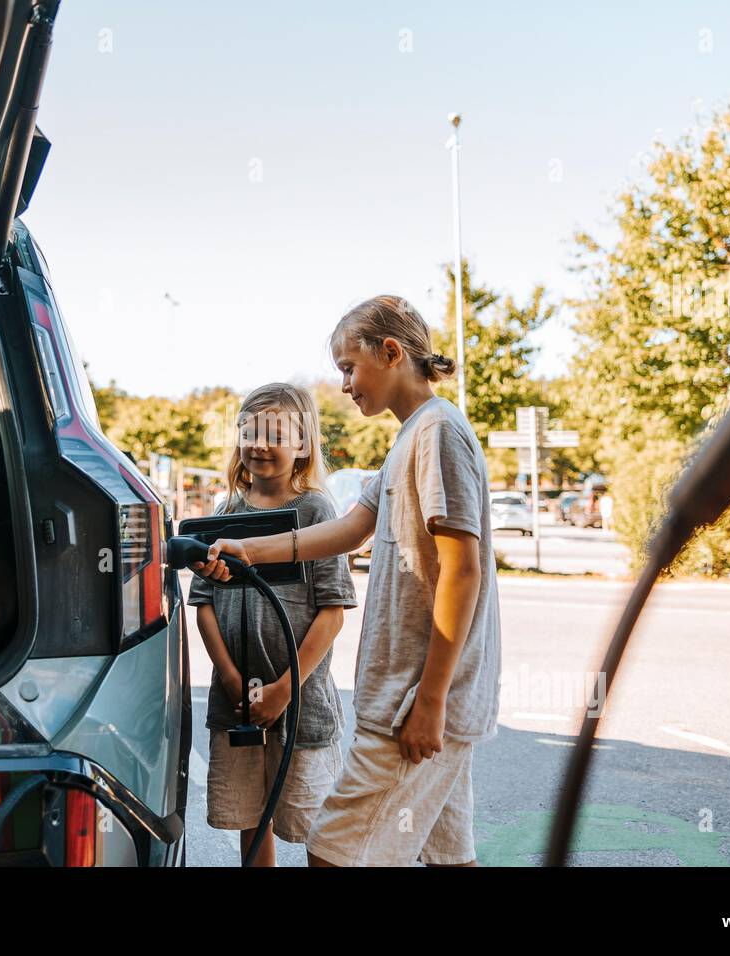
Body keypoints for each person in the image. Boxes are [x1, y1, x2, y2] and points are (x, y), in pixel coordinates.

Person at [194, 295, 500, 867]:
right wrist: (247, 550)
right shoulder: (409, 438)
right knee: (447, 854)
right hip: (415, 696)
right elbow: (349, 529)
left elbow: (464, 568)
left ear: (391, 352)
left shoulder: (437, 434)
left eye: (348, 367)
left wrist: (430, 699)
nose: (344, 384)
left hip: (415, 698)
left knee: (334, 851)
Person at [189, 382, 357, 866]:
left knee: (315, 827)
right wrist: (230, 677)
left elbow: (332, 609)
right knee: (251, 818)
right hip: (236, 704)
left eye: (274, 433)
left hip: (301, 708)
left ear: (302, 443)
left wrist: (286, 689)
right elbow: (203, 604)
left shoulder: (315, 511)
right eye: (249, 431)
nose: (259, 444)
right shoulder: (225, 513)